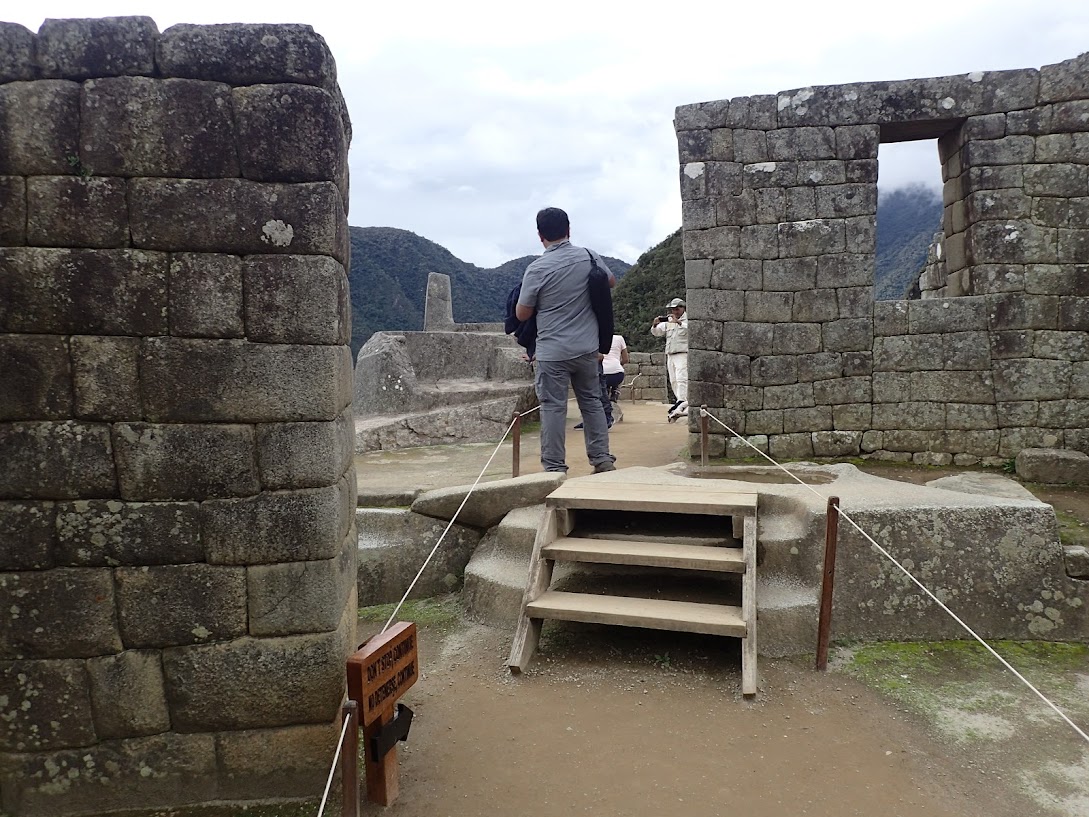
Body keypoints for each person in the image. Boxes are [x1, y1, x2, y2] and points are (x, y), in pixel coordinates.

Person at [516, 207, 617, 474]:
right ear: (569, 229)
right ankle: (602, 459)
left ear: (540, 235)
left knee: (552, 408)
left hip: (552, 351)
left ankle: (554, 468)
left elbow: (522, 313)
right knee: (592, 402)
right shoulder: (590, 256)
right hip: (587, 348)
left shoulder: (537, 269)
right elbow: (611, 282)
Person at [651, 297, 688, 422]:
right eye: (673, 309)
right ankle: (679, 400)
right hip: (671, 353)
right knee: (673, 379)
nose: (675, 312)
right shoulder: (669, 321)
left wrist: (679, 322)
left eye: (677, 309)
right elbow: (657, 332)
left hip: (682, 353)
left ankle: (683, 400)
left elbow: (691, 330)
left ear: (683, 308)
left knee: (682, 377)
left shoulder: (687, 320)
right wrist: (655, 324)